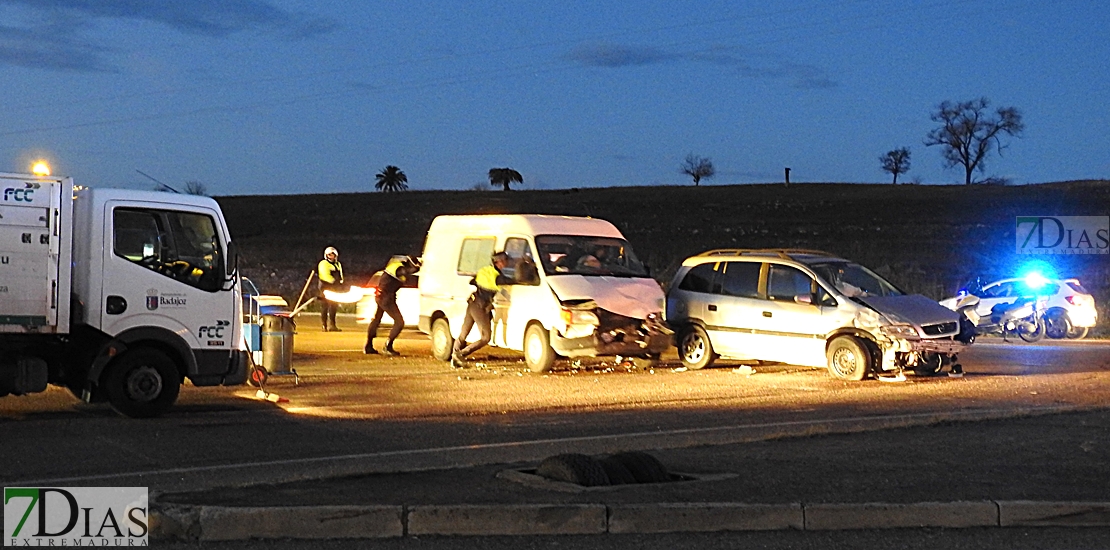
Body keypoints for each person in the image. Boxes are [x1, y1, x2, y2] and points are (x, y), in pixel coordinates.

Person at [452, 251, 515, 368]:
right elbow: (511, 281)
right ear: (499, 262)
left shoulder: (485, 270)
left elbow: (473, 281)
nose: (507, 262)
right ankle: (460, 354)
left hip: (472, 303)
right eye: (505, 260)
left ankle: (455, 356)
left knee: (463, 334)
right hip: (480, 307)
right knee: (486, 337)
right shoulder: (497, 276)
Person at [364, 256, 420, 356]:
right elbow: (408, 271)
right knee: (399, 322)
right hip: (386, 298)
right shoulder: (398, 268)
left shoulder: (394, 266)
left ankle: (368, 346)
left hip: (382, 296)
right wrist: (419, 267)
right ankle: (387, 346)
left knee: (376, 319)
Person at [317, 246, 345, 332]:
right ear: (326, 255)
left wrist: (341, 281)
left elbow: (340, 274)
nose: (331, 256)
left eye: (333, 254)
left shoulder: (338, 264)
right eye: (329, 254)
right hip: (325, 287)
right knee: (325, 306)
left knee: (334, 306)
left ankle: (333, 325)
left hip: (335, 287)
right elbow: (324, 275)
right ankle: (324, 325)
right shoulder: (323, 263)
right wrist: (334, 281)